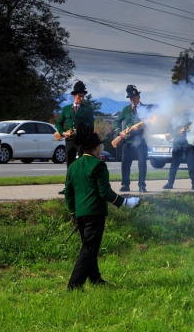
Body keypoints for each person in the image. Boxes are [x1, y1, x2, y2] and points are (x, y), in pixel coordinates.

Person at [65, 122, 141, 291]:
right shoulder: (99, 165)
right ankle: (74, 285)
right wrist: (126, 202)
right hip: (94, 212)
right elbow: (105, 193)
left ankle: (95, 278)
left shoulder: (73, 166)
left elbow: (68, 193)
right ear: (96, 148)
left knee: (89, 248)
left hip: (80, 213)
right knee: (89, 249)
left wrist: (73, 213)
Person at [56, 80, 95, 194]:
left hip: (81, 141)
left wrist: (82, 132)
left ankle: (83, 186)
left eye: (83, 96)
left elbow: (91, 126)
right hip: (69, 140)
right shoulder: (66, 109)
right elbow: (58, 123)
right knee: (70, 164)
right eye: (79, 96)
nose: (81, 98)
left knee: (82, 164)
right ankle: (69, 186)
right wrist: (63, 133)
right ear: (74, 96)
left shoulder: (87, 109)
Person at [114, 85, 148, 193]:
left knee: (142, 163)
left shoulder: (145, 109)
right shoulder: (126, 109)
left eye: (134, 97)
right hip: (128, 140)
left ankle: (142, 185)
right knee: (125, 163)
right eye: (130, 98)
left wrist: (144, 126)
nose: (132, 99)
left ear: (139, 97)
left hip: (141, 140)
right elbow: (116, 122)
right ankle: (125, 185)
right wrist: (120, 132)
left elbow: (150, 124)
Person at [163, 125, 194, 191]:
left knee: (192, 164)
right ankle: (170, 183)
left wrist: (192, 128)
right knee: (174, 164)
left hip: (189, 142)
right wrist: (178, 132)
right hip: (178, 143)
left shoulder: (191, 116)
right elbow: (169, 128)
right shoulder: (175, 116)